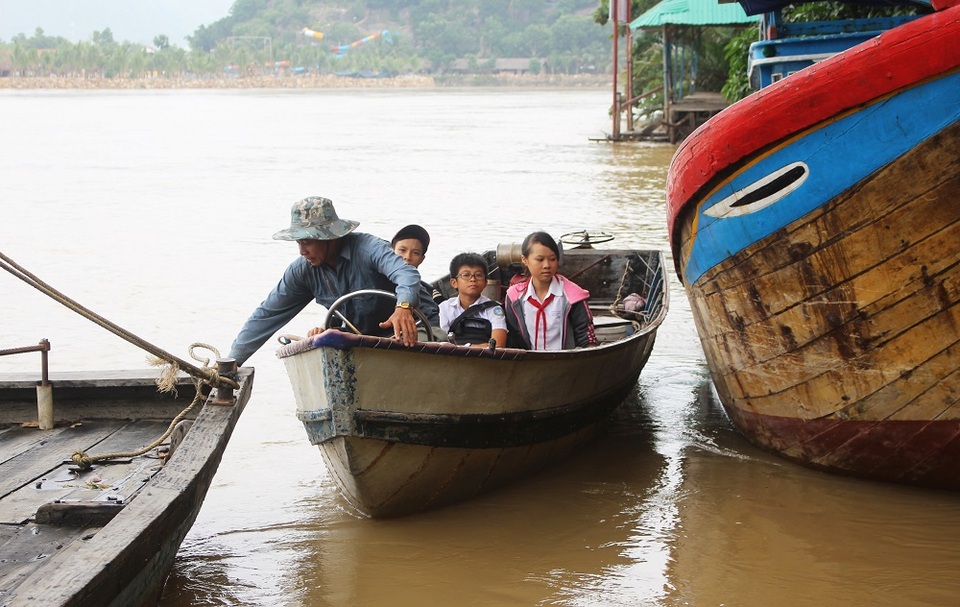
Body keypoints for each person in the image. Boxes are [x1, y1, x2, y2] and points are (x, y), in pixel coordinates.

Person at [228, 197, 440, 365]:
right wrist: (232, 361)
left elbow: (407, 275)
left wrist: (403, 307)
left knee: (411, 349)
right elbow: (267, 315)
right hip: (362, 338)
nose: (302, 251)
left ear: (330, 237)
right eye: (299, 243)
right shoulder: (303, 270)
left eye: (308, 242)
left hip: (417, 326)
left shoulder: (369, 248)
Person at [504, 231, 597, 350]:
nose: (547, 265)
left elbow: (587, 337)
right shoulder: (514, 297)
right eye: (540, 259)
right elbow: (512, 335)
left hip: (566, 362)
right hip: (527, 364)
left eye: (552, 259)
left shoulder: (573, 295)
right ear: (525, 260)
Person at [439, 252, 508, 348]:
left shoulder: (493, 309)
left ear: (485, 282)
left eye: (478, 275)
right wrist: (475, 346)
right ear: (454, 282)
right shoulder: (445, 307)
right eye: (466, 275)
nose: (473, 279)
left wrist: (466, 347)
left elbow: (498, 345)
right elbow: (441, 343)